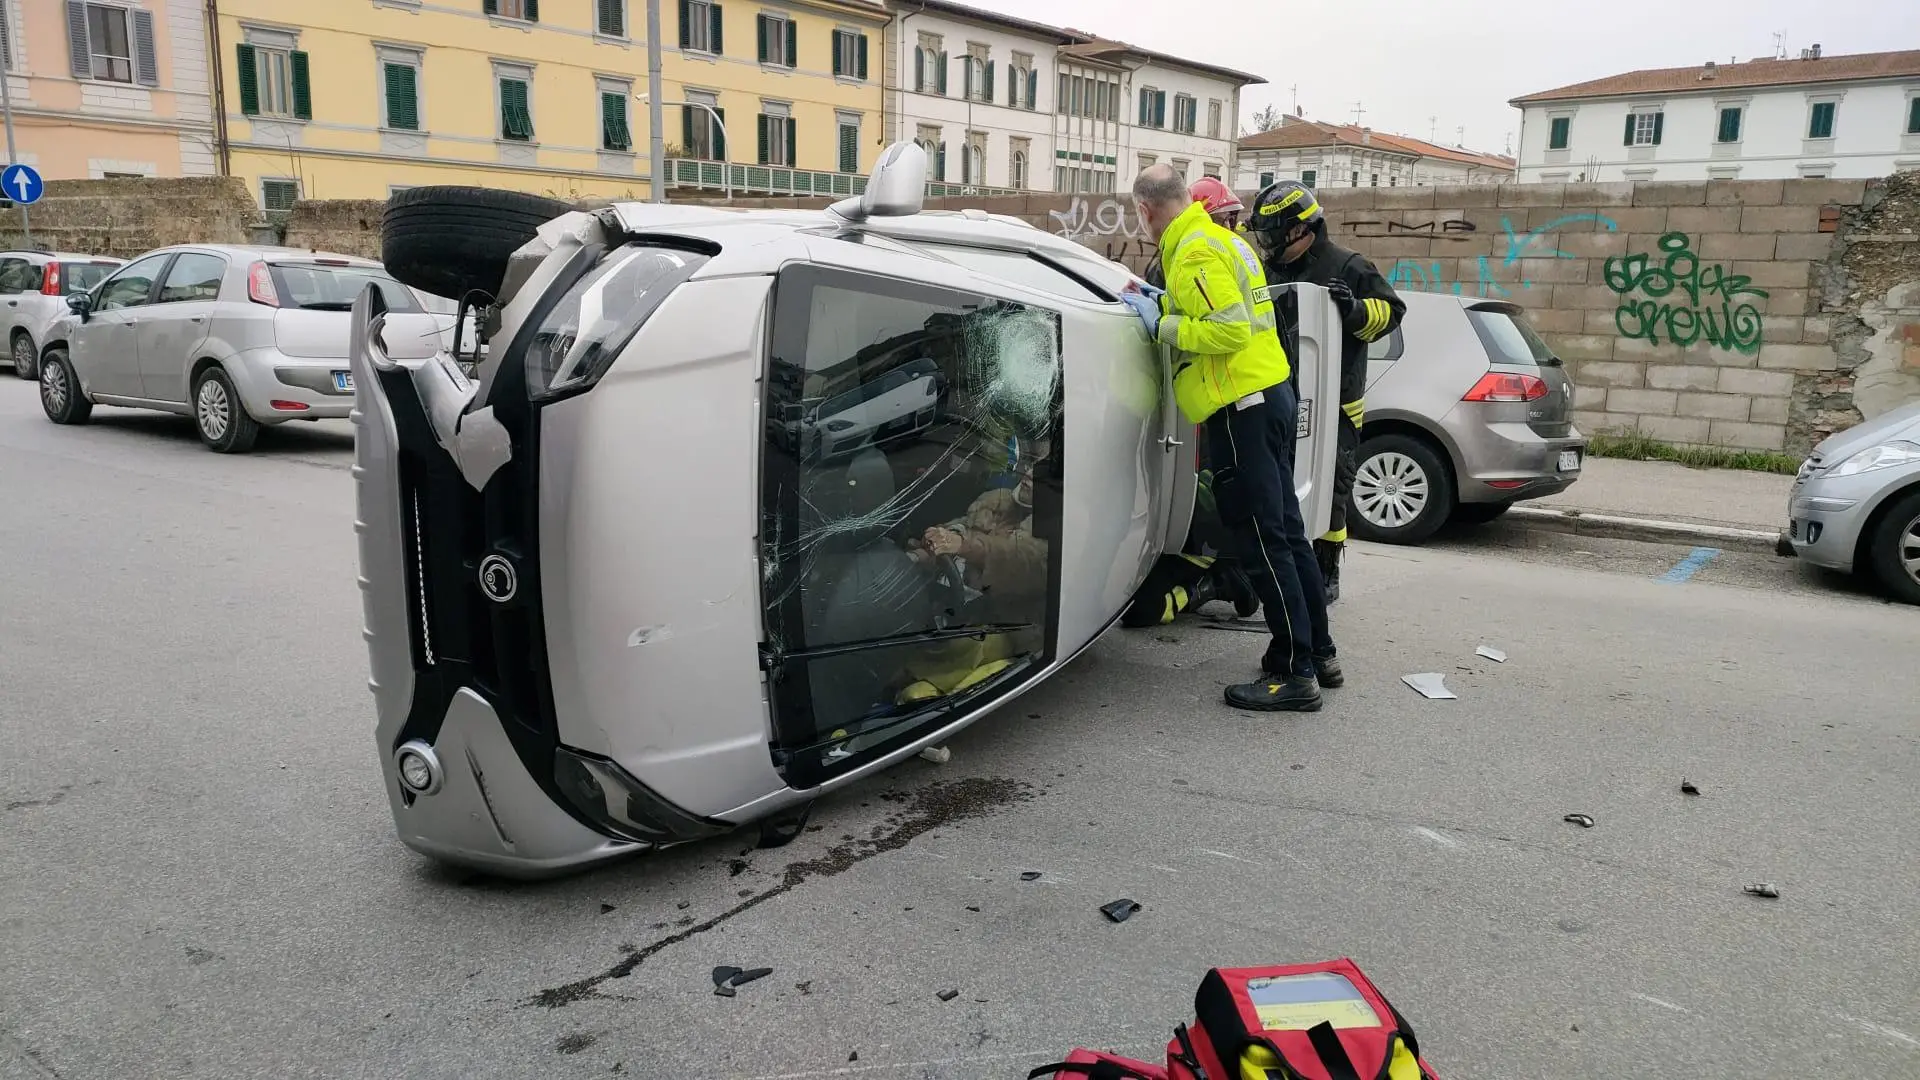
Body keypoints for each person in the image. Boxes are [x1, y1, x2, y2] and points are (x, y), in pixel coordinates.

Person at [1121, 164, 1339, 713]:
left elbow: (1227, 328)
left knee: (1264, 542)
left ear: (1146, 210)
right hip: (1269, 395)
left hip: (1240, 407)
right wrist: (1164, 300)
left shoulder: (1192, 249)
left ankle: (1295, 673)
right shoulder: (1223, 239)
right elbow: (1224, 310)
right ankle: (1319, 652)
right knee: (1287, 533)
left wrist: (1160, 324)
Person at [1244, 181, 1405, 602]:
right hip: (1279, 393)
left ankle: (1327, 569)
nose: (1267, 245)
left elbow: (1391, 314)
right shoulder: (1271, 270)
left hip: (1336, 401)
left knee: (1332, 486)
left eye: (1272, 235)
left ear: (1301, 231)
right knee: (1282, 484)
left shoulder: (1349, 266)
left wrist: (1353, 311)